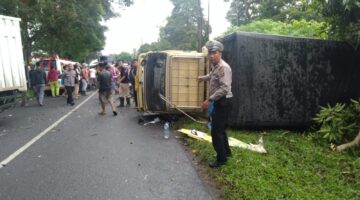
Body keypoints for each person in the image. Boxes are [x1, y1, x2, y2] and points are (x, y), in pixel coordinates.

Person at [198, 40, 233, 168]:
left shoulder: (223, 67)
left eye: (214, 53)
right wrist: (202, 78)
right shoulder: (216, 66)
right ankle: (227, 152)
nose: (211, 56)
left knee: (216, 132)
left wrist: (210, 100)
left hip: (222, 101)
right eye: (210, 53)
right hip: (220, 101)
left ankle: (221, 159)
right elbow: (212, 76)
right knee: (221, 130)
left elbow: (224, 88)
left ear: (220, 53)